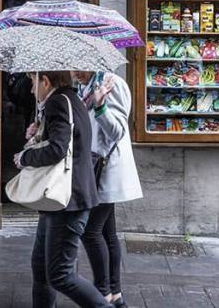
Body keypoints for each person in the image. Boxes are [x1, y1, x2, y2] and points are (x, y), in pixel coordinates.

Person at [14, 71, 113, 308]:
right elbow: (67, 141)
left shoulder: (58, 102)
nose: (30, 89)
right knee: (41, 267)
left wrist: (25, 157)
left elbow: (57, 149)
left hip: (68, 201)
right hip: (60, 199)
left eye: (32, 81)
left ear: (45, 81)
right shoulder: (70, 98)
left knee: (60, 275)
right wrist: (37, 131)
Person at [72, 71, 143, 308]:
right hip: (94, 168)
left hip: (105, 169)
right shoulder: (85, 87)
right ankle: (116, 294)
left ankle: (102, 292)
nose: (74, 73)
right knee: (106, 233)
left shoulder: (113, 84)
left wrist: (101, 105)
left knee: (90, 231)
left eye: (77, 67)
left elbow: (118, 131)